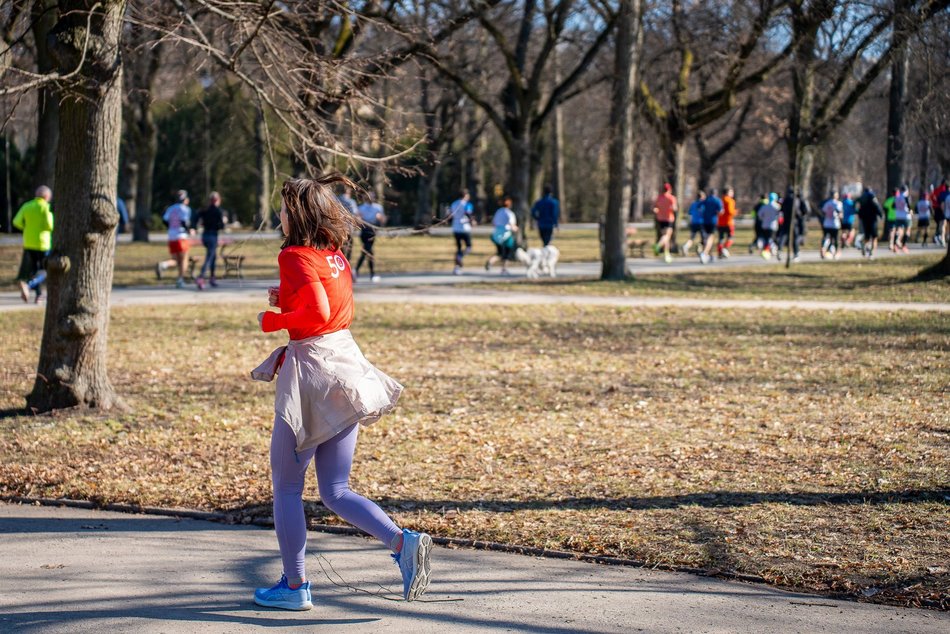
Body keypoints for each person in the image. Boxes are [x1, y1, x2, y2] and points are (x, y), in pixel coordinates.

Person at [252, 175, 430, 610]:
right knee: (334, 489)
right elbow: (332, 307)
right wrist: (287, 298)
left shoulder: (293, 254)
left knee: (287, 487)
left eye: (283, 207)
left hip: (313, 372)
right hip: (345, 366)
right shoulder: (333, 256)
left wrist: (272, 319)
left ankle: (294, 588)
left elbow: (318, 311)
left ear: (296, 213)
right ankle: (401, 542)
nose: (279, 214)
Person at [12, 185, 53, 304]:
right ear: (46, 196)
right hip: (43, 243)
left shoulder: (27, 205)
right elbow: (50, 226)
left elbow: (16, 222)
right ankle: (28, 286)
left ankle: (38, 296)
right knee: (45, 270)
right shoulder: (46, 207)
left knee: (34, 270)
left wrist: (27, 228)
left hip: (28, 242)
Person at [156, 190, 194, 289]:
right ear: (185, 199)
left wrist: (171, 227)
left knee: (175, 260)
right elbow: (185, 222)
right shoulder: (185, 209)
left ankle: (163, 265)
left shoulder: (171, 208)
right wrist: (189, 230)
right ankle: (180, 280)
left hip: (171, 236)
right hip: (181, 237)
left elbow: (165, 220)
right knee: (184, 260)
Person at [193, 191, 228, 289]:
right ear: (218, 200)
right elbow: (221, 226)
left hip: (205, 236)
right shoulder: (218, 211)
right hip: (212, 236)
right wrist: (224, 222)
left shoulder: (204, 210)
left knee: (213, 256)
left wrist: (195, 226)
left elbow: (195, 218)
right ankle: (201, 277)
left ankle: (212, 277)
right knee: (209, 257)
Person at [355, 192, 385, 283]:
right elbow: (357, 222)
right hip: (364, 231)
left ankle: (357, 271)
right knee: (368, 252)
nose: (370, 199)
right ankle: (362, 272)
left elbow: (383, 221)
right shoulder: (361, 208)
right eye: (368, 197)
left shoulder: (378, 207)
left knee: (367, 252)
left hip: (373, 231)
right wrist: (358, 220)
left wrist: (380, 218)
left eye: (372, 197)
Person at [486, 196, 518, 274]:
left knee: (499, 253)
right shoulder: (510, 213)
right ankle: (504, 268)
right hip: (506, 235)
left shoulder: (498, 211)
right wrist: (516, 229)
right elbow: (512, 225)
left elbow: (494, 222)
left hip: (497, 234)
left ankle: (490, 261)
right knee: (507, 253)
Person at [449, 189, 476, 274]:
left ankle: (456, 268)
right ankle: (460, 258)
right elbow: (468, 213)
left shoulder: (454, 203)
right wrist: (472, 221)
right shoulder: (467, 204)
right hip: (465, 228)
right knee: (468, 247)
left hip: (456, 228)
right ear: (465, 195)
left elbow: (450, 215)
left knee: (458, 248)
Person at [776, 187, 807, 262]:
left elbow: (781, 209)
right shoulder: (798, 199)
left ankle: (779, 250)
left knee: (784, 235)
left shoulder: (786, 199)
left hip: (787, 220)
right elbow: (804, 210)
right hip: (794, 221)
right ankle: (796, 253)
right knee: (795, 237)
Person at [652, 183, 677, 263]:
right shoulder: (671, 198)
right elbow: (674, 208)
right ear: (669, 189)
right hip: (669, 219)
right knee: (667, 236)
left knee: (665, 236)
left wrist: (658, 210)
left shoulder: (659, 198)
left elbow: (655, 208)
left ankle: (667, 254)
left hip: (660, 219)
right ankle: (658, 245)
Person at [857, 187, 883, 259]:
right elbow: (876, 206)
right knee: (874, 237)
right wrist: (880, 214)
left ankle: (864, 247)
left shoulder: (862, 198)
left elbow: (858, 208)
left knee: (867, 236)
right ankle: (871, 253)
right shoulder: (872, 196)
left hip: (864, 219)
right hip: (872, 219)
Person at [699, 187, 723, 264]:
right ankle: (704, 253)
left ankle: (710, 255)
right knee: (710, 238)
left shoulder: (706, 200)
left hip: (704, 221)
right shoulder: (717, 200)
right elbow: (721, 211)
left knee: (706, 238)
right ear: (715, 193)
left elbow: (699, 207)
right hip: (713, 221)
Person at [680, 190, 706, 257]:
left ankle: (686, 246)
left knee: (692, 238)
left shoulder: (693, 204)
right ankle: (699, 248)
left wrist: (689, 222)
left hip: (694, 223)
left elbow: (690, 213)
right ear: (702, 197)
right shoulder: (704, 204)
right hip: (702, 223)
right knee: (704, 238)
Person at [755, 193, 781, 259]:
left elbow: (759, 215)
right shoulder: (777, 206)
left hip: (764, 225)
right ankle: (769, 251)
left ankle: (770, 250)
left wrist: (763, 219)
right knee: (771, 239)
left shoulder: (764, 206)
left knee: (766, 239)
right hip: (773, 226)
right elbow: (780, 215)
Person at [337, 187, 359, 262]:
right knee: (349, 247)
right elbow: (355, 214)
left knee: (340, 247)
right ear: (348, 191)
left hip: (339, 228)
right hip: (349, 228)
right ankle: (347, 262)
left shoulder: (336, 199)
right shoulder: (351, 202)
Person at [820, 190, 843, 259]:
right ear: (836, 196)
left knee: (826, 238)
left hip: (826, 224)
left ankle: (823, 250)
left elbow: (823, 212)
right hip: (835, 224)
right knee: (835, 239)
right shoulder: (838, 203)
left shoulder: (827, 203)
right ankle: (836, 253)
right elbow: (840, 213)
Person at [716, 187, 737, 258]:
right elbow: (731, 212)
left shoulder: (719, 200)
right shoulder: (730, 201)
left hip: (720, 222)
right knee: (730, 238)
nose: (732, 193)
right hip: (729, 222)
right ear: (728, 193)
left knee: (720, 238)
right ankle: (724, 249)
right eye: (731, 192)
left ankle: (719, 252)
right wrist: (736, 212)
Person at [892, 186, 911, 253]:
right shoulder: (906, 197)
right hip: (906, 216)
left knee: (898, 230)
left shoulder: (897, 197)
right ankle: (904, 246)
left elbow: (893, 206)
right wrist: (910, 211)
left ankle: (895, 246)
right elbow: (909, 206)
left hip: (898, 216)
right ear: (906, 190)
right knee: (907, 230)